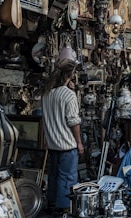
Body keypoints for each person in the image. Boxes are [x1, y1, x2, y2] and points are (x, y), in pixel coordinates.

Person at [41, 58, 85, 216]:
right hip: (67, 145)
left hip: (53, 144)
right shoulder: (69, 95)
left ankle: (52, 204)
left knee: (54, 175)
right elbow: (73, 122)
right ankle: (64, 209)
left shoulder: (46, 94)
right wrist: (79, 143)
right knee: (67, 178)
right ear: (71, 75)